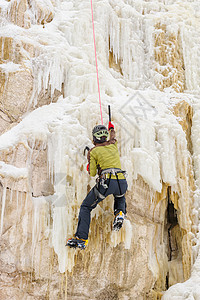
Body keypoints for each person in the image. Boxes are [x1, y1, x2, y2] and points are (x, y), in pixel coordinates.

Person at [66, 121, 128, 249]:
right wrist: (112, 128)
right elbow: (113, 137)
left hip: (107, 183)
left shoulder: (93, 152)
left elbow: (92, 173)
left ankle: (82, 238)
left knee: (86, 207)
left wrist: (89, 164)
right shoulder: (113, 146)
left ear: (94, 138)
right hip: (121, 181)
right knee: (120, 197)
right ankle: (120, 213)